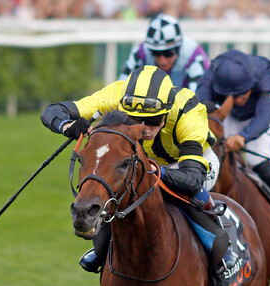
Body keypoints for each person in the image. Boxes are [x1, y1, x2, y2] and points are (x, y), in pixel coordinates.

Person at [40, 65, 229, 274]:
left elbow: (192, 180)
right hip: (138, 161)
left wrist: (154, 170)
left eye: (154, 120)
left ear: (167, 110)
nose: (145, 128)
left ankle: (220, 243)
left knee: (180, 194)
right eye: (134, 119)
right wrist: (68, 126)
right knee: (119, 191)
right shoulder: (117, 95)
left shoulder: (189, 109)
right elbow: (53, 111)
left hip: (187, 164)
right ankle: (103, 250)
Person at [195, 49, 270, 249]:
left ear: (252, 85)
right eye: (229, 95)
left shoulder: (265, 75)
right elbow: (198, 107)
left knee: (257, 162)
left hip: (259, 115)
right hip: (225, 115)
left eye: (241, 94)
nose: (236, 99)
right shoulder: (212, 74)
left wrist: (243, 136)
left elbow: (265, 115)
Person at [118, 14, 209, 92]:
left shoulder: (194, 54)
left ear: (179, 48)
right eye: (156, 53)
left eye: (168, 53)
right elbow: (121, 88)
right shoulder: (140, 52)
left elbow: (199, 97)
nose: (163, 61)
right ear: (149, 49)